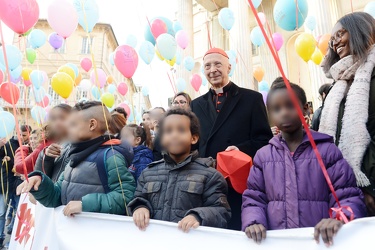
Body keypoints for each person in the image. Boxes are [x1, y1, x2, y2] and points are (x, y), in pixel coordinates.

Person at [242, 78, 366, 246]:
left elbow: (347, 194)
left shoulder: (327, 151)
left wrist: (339, 218)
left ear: (305, 108)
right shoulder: (263, 157)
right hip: (279, 244)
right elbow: (254, 198)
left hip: (320, 243)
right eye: (276, 109)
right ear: (269, 115)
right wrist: (254, 221)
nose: (284, 113)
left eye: (290, 105)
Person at [190, 47, 272, 230]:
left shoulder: (251, 98)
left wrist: (239, 151)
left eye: (218, 64)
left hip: (239, 183)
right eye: (207, 66)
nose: (213, 70)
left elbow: (264, 140)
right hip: (207, 183)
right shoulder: (195, 105)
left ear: (229, 67)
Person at [17, 101, 136, 216]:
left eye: (73, 124)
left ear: (92, 125)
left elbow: (125, 198)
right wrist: (40, 182)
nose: (67, 130)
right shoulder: (76, 155)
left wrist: (85, 204)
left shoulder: (111, 157)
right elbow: (57, 196)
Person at [128, 108, 231, 232]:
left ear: (193, 138)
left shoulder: (210, 176)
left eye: (181, 130)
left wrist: (198, 216)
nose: (174, 135)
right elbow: (138, 198)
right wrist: (139, 207)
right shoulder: (148, 173)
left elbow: (221, 212)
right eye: (168, 131)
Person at [319, 12, 375, 216]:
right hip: (346, 190)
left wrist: (370, 188)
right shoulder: (339, 83)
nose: (335, 43)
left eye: (340, 34)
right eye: (332, 39)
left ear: (362, 30)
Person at [0, 125, 31, 247]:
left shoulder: (31, 145)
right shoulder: (8, 144)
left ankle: (14, 237)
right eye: (20, 134)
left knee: (19, 212)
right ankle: (1, 238)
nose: (22, 137)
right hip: (7, 184)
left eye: (24, 135)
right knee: (2, 213)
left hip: (23, 185)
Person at [34, 104, 72, 182]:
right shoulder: (57, 143)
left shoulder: (81, 143)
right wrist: (46, 157)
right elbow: (43, 177)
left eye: (62, 118)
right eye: (53, 119)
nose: (57, 123)